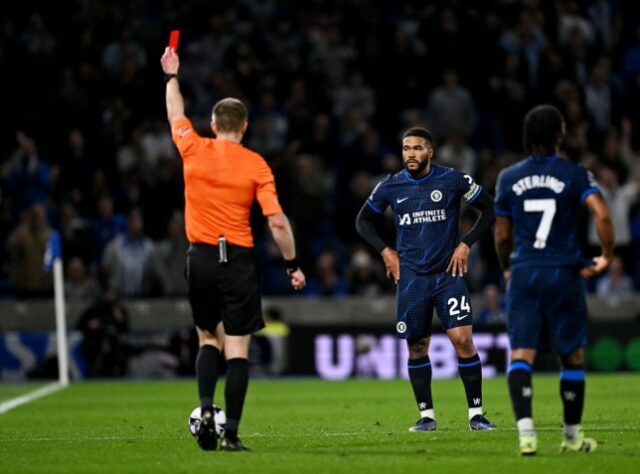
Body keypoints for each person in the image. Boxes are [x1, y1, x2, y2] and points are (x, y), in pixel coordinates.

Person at [161, 46, 306, 452]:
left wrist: (172, 75)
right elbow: (276, 221)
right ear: (243, 127)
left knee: (209, 339)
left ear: (212, 124)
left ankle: (206, 408)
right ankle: (232, 434)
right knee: (238, 348)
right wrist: (293, 264)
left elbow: (175, 113)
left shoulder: (193, 147)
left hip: (200, 257)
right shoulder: (256, 164)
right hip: (237, 260)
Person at [355, 127, 497, 432]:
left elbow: (489, 209)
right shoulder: (390, 186)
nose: (411, 154)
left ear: (430, 152)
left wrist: (465, 243)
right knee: (417, 346)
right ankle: (427, 417)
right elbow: (362, 221)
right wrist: (385, 252)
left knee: (463, 339)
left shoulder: (453, 179)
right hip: (412, 279)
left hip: (448, 274)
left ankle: (476, 415)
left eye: (417, 148)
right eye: (406, 149)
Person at [494, 104, 614, 456]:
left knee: (521, 354)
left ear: (527, 136)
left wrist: (506, 266)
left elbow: (502, 234)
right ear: (560, 136)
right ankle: (572, 437)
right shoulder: (575, 174)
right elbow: (602, 214)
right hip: (564, 271)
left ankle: (527, 436)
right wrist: (605, 255)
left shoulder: (508, 177)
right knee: (571, 356)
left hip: (525, 270)